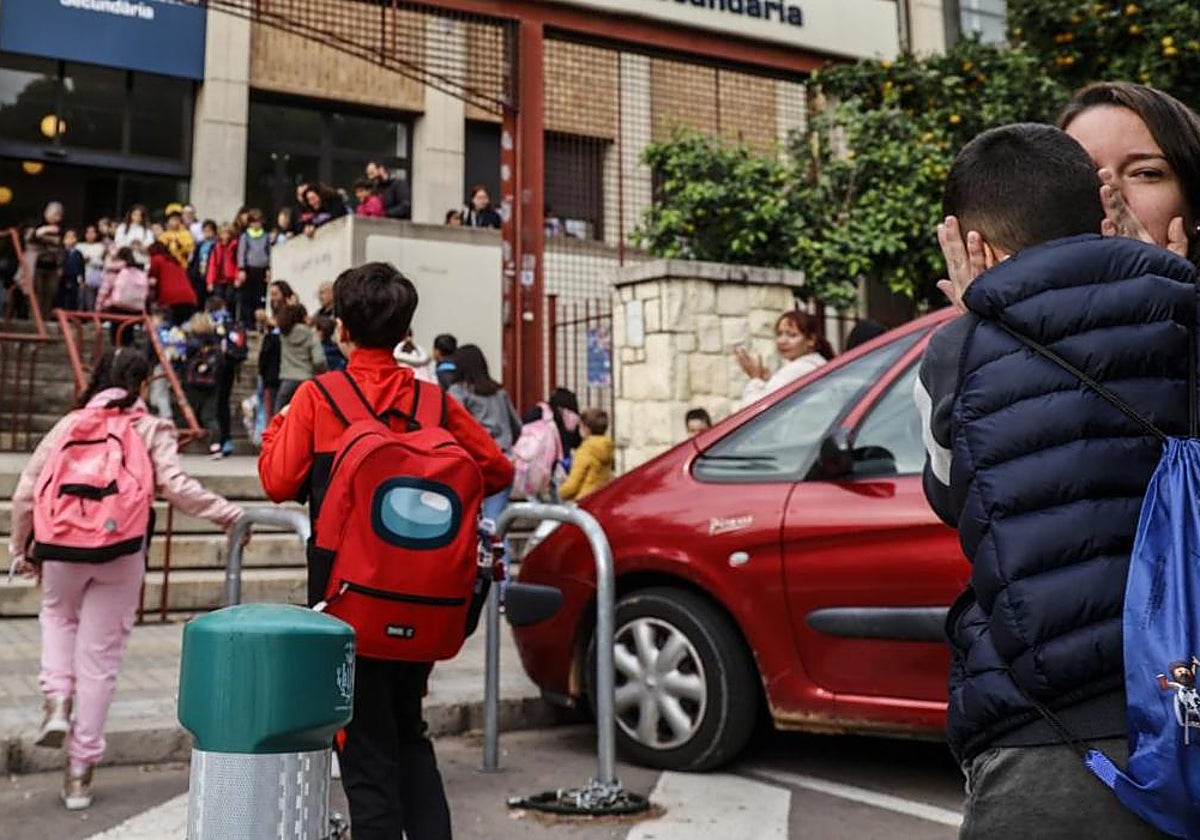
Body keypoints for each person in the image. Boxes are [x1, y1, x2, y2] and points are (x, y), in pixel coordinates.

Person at [918, 120, 1198, 840]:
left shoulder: (959, 348)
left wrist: (984, 319)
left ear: (974, 245)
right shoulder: (1185, 306)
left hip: (1052, 735)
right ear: (1101, 214)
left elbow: (955, 499)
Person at [258, 262, 512, 840]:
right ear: (404, 333)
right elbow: (496, 470)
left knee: (365, 747)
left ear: (341, 329)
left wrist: (278, 429)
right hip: (427, 600)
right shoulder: (434, 401)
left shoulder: (320, 397)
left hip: (346, 600)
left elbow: (277, 481)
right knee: (407, 732)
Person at [8, 348, 244, 810]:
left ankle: (57, 701)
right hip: (121, 552)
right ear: (141, 386)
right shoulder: (151, 427)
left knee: (56, 619)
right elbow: (176, 487)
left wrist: (22, 549)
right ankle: (79, 774)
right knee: (99, 661)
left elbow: (25, 493)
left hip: (60, 547)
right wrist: (228, 514)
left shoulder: (71, 424)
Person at [735, 311, 834, 409]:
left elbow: (754, 408)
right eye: (779, 334)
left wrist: (755, 378)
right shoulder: (816, 363)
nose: (782, 341)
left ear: (811, 340)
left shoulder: (800, 367)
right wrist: (767, 380)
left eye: (792, 335)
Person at [182, 312, 224, 456]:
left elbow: (184, 362)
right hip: (212, 385)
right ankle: (215, 446)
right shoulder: (216, 343)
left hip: (193, 384)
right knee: (210, 417)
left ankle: (183, 444)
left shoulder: (191, 344)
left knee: (188, 413)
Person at [275, 303, 326, 413]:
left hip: (287, 380)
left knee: (279, 418)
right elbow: (319, 360)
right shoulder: (311, 334)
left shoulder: (284, 334)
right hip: (306, 379)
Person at [558, 408, 613, 501]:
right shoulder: (607, 447)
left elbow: (572, 486)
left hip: (584, 501)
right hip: (601, 499)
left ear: (586, 429)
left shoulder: (585, 451)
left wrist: (559, 493)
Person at [523, 387, 582, 464]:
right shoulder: (570, 419)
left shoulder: (538, 413)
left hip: (534, 459)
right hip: (559, 463)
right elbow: (577, 442)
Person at [147, 242, 198, 327]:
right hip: (189, 297)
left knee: (171, 327)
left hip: (170, 298)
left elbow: (152, 278)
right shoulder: (175, 261)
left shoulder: (156, 259)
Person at [28, 201, 64, 320]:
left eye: (59, 214)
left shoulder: (60, 230)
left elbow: (61, 248)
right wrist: (44, 231)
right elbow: (30, 238)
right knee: (36, 294)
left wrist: (60, 265)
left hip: (52, 266)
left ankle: (45, 318)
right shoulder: (37, 225)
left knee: (49, 294)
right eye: (54, 214)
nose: (56, 217)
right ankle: (34, 319)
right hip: (37, 265)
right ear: (46, 213)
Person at [237, 209, 271, 331]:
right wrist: (242, 269)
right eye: (253, 222)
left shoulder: (266, 236)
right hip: (249, 269)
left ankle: (260, 322)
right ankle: (248, 322)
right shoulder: (245, 236)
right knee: (248, 297)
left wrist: (269, 268)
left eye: (258, 222)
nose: (256, 225)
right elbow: (242, 253)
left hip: (262, 269)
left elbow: (269, 252)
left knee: (260, 296)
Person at [206, 223, 239, 315]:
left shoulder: (235, 246)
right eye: (223, 233)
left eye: (227, 233)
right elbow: (212, 265)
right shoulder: (216, 247)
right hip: (218, 279)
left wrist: (237, 278)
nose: (225, 236)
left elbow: (238, 264)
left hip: (231, 279)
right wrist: (210, 282)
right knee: (218, 301)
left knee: (230, 300)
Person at [77, 225, 108, 313]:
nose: (90, 235)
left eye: (92, 232)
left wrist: (92, 260)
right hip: (82, 274)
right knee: (80, 297)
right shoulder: (79, 246)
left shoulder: (100, 246)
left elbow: (102, 262)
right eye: (88, 232)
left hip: (95, 275)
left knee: (91, 298)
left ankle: (91, 315)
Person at [56, 229, 83, 312]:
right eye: (68, 237)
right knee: (61, 296)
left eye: (73, 237)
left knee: (73, 297)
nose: (71, 239)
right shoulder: (61, 252)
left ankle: (71, 314)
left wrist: (82, 279)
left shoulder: (78, 253)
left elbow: (81, 267)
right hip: (62, 277)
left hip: (74, 277)